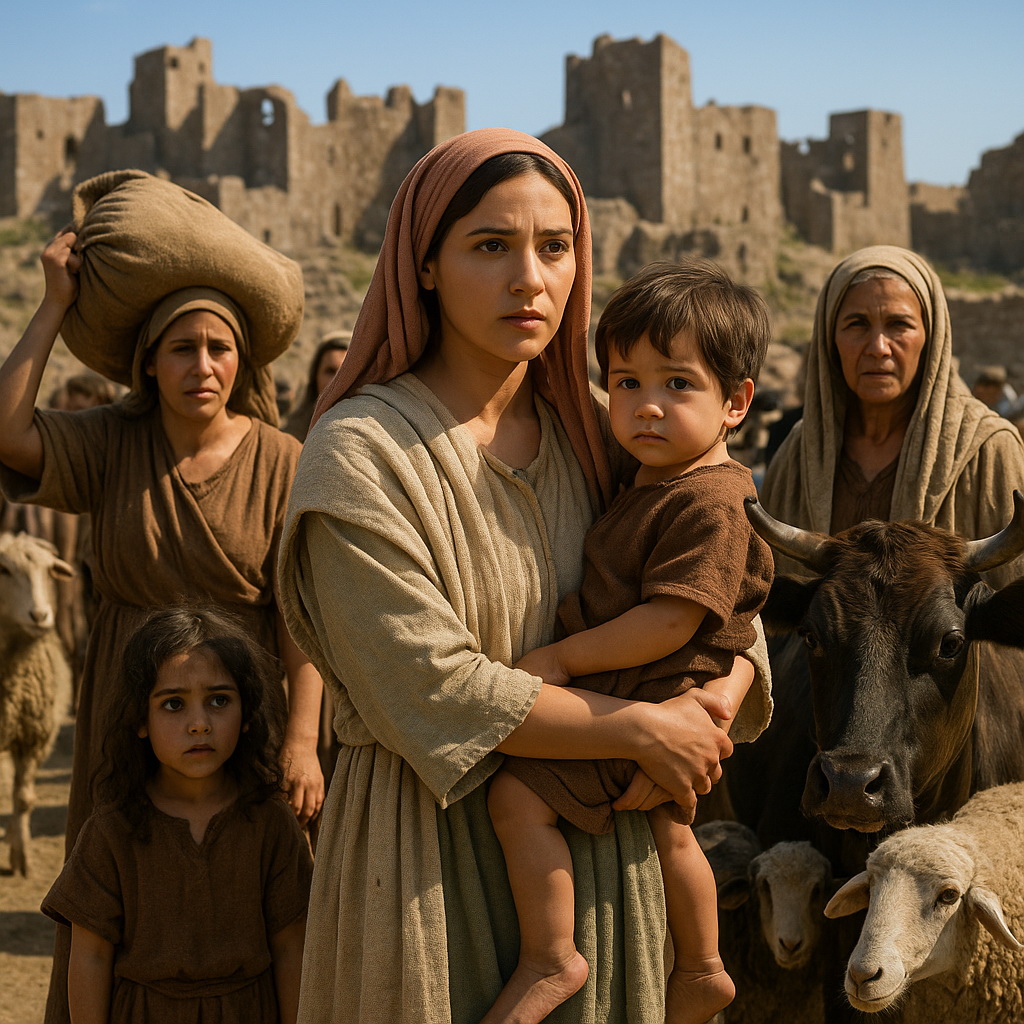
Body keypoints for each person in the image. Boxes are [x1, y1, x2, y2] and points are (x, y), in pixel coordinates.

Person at [277, 128, 772, 1024]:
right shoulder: (361, 456)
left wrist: (721, 693)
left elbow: (721, 573)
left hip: (605, 854)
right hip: (424, 857)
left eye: (556, 248)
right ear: (423, 264)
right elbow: (428, 682)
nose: (531, 280)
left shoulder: (602, 432)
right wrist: (643, 730)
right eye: (490, 246)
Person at [0, 221, 324, 1022]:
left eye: (220, 346)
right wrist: (51, 306)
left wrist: (302, 738)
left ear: (244, 360)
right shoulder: (112, 442)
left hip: (243, 711)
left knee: (261, 895)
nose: (203, 364)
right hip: (131, 707)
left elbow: (300, 614)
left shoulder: (283, 459)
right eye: (182, 347)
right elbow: (6, 432)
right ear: (149, 361)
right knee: (112, 891)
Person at [484, 259, 773, 1024]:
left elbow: (674, 620)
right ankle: (704, 966)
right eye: (625, 384)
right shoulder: (655, 475)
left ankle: (552, 957)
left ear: (736, 402)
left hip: (642, 692)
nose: (647, 407)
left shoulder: (712, 498)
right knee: (670, 828)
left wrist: (561, 660)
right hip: (644, 696)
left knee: (518, 800)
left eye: (677, 385)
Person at [42, 607, 313, 1024]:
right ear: (139, 720)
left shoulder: (271, 823)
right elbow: (91, 956)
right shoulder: (112, 830)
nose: (199, 724)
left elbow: (292, 947)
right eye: (173, 704)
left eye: (219, 700)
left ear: (246, 716)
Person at [761, 245, 1024, 588]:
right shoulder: (801, 450)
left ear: (930, 337)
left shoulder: (987, 450)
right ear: (830, 337)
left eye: (899, 324)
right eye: (857, 324)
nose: (878, 347)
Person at [284, 330, 352, 441]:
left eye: (345, 373)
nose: (336, 381)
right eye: (330, 371)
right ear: (315, 377)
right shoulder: (291, 437)